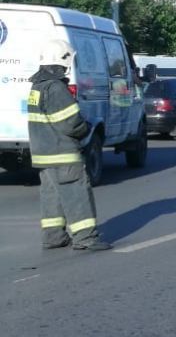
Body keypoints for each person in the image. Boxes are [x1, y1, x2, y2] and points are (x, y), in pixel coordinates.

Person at [27, 40, 112, 252]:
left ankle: (53, 236)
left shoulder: (37, 86)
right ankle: (86, 237)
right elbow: (71, 123)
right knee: (76, 192)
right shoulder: (56, 88)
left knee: (51, 195)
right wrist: (85, 129)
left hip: (43, 154)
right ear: (61, 60)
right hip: (62, 152)